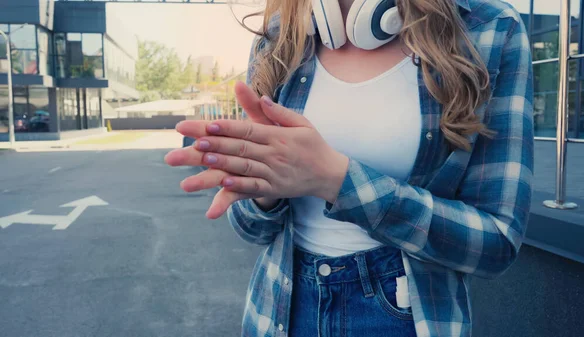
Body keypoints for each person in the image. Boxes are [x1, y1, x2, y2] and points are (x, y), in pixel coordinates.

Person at [164, 0, 534, 336]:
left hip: (408, 316)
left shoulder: (490, 29)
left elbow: (496, 242)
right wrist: (262, 194)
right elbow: (253, 231)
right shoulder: (278, 36)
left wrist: (337, 181)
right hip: (279, 312)